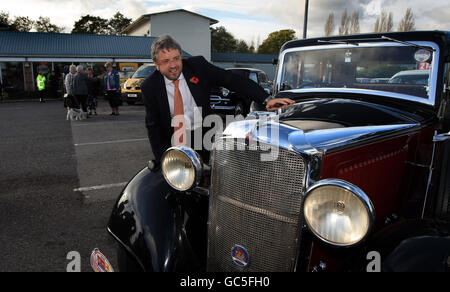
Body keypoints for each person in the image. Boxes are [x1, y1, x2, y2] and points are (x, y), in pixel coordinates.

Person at [141, 35, 294, 164]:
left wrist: (266, 99)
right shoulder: (149, 86)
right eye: (166, 61)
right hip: (175, 141)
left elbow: (231, 79)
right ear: (156, 64)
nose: (173, 65)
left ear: (181, 56)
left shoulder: (198, 66)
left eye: (176, 58)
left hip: (205, 135)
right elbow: (153, 128)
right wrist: (163, 160)